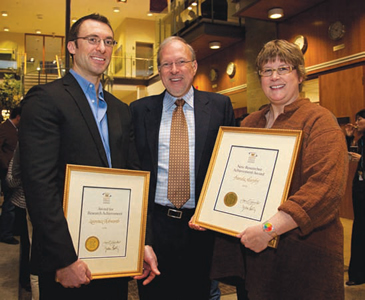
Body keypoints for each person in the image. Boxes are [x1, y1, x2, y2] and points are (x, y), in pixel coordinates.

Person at [19, 13, 158, 300]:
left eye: (108, 41)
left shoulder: (120, 109)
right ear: (72, 47)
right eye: (92, 40)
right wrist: (63, 259)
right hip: (68, 260)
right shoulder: (45, 99)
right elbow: (39, 185)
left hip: (114, 255)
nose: (102, 48)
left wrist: (139, 242)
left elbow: (132, 179)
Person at [208, 39, 349, 299]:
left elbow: (325, 190)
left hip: (304, 258)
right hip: (256, 259)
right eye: (267, 70)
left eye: (283, 68)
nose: (275, 77)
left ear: (299, 75)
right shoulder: (250, 123)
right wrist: (211, 212)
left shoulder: (319, 121)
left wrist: (269, 229)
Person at [130, 36, 235, 300]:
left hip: (200, 229)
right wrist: (142, 236)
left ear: (194, 66)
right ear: (159, 71)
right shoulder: (139, 111)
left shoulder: (220, 106)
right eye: (166, 64)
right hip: (156, 227)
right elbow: (133, 171)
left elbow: (229, 167)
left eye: (180, 62)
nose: (174, 70)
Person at [344, 109, 365, 286]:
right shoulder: (359, 139)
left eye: (360, 119)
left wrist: (362, 160)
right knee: (359, 229)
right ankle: (357, 274)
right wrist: (349, 138)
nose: (357, 122)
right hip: (359, 189)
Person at [0, 106, 21, 245]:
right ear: (18, 116)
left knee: (12, 202)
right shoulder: (5, 128)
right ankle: (5, 234)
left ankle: (10, 229)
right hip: (7, 171)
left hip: (13, 171)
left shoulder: (15, 129)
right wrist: (7, 164)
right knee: (9, 203)